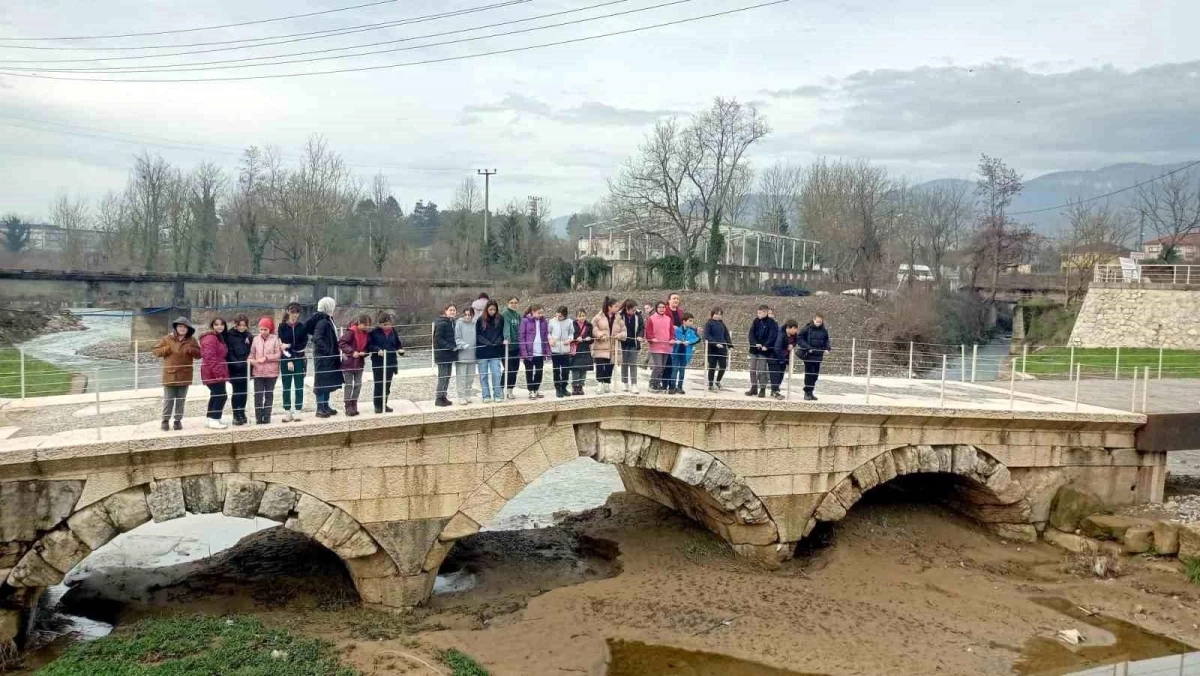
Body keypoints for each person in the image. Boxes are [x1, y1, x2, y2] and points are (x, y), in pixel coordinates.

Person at [153, 317, 200, 431]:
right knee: (168, 399)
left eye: (184, 327)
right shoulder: (166, 339)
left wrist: (192, 350)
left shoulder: (192, 340)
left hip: (185, 374)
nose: (182, 329)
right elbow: (155, 351)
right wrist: (167, 349)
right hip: (170, 375)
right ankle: (165, 420)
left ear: (188, 329)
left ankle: (177, 421)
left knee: (181, 399)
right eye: (180, 326)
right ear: (176, 327)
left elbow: (199, 355)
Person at [307, 296, 343, 418]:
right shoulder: (322, 321)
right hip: (323, 358)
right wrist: (327, 350)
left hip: (327, 357)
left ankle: (325, 405)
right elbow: (316, 338)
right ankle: (320, 407)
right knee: (321, 382)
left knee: (327, 381)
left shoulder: (327, 319)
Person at [366, 312, 404, 414]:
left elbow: (398, 343)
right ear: (380, 324)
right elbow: (369, 345)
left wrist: (400, 349)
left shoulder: (393, 331)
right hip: (378, 362)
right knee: (379, 384)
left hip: (390, 361)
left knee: (387, 385)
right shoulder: (374, 332)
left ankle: (384, 404)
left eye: (389, 324)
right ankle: (377, 406)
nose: (388, 327)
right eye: (385, 325)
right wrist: (377, 349)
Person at [278, 302, 309, 422]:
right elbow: (282, 345)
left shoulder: (302, 327)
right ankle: (287, 411)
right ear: (288, 312)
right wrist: (289, 359)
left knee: (299, 386)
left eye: (296, 312)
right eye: (292, 312)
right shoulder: (282, 326)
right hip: (285, 359)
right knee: (286, 386)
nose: (294, 315)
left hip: (299, 359)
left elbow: (302, 344)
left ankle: (298, 411)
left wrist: (290, 345)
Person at [199, 317, 230, 430]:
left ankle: (211, 418)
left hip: (215, 370)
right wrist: (218, 373)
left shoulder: (217, 337)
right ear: (212, 326)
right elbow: (209, 357)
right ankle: (214, 419)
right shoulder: (210, 338)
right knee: (221, 396)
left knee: (215, 395)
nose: (219, 326)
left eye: (222, 324)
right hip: (212, 372)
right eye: (216, 324)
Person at [250, 316, 283, 423]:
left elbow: (278, 354)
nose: (263, 331)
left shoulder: (275, 339)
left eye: (265, 329)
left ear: (270, 329)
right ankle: (258, 417)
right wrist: (251, 360)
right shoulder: (255, 339)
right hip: (258, 372)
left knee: (269, 394)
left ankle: (267, 416)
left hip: (271, 373)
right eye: (261, 329)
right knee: (258, 395)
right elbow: (252, 354)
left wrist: (267, 358)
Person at [591, 297, 625, 395]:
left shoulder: (618, 318)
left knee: (610, 365)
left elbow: (624, 330)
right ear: (609, 307)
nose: (617, 308)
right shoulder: (599, 316)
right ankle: (600, 383)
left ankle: (607, 383)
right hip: (601, 345)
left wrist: (620, 335)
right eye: (615, 306)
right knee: (600, 365)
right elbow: (593, 327)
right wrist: (600, 334)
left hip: (613, 346)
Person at [339, 314, 371, 417]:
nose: (367, 327)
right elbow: (341, 343)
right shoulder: (351, 332)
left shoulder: (367, 334)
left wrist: (364, 353)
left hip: (359, 364)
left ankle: (354, 403)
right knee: (349, 385)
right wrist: (352, 352)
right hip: (349, 363)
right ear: (360, 324)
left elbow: (367, 348)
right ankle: (348, 406)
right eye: (365, 325)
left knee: (358, 385)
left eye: (368, 325)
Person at [224, 314, 253, 425]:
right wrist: (238, 364)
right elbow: (229, 352)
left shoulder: (249, 335)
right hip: (235, 368)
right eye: (239, 325)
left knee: (245, 392)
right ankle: (236, 415)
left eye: (244, 325)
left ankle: (242, 412)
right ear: (235, 325)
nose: (242, 327)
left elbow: (252, 350)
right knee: (237, 392)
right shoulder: (230, 336)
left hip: (246, 368)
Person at [746, 305, 779, 398]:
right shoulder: (756, 321)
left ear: (765, 312)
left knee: (762, 371)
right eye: (758, 313)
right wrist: (754, 343)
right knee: (752, 370)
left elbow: (772, 336)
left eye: (760, 313)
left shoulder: (771, 322)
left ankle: (762, 389)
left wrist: (766, 345)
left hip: (764, 351)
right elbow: (751, 333)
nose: (758, 314)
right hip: (754, 349)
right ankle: (754, 387)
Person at [797, 313, 832, 401]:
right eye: (817, 321)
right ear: (813, 319)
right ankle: (807, 392)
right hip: (809, 355)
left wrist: (827, 348)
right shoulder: (807, 328)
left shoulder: (824, 330)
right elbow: (800, 338)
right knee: (809, 374)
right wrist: (807, 347)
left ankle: (811, 392)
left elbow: (826, 340)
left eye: (820, 322)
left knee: (815, 376)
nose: (818, 323)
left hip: (818, 356)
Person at [476, 300, 505, 403]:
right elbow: (478, 335)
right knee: (483, 375)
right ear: (486, 309)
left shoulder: (500, 319)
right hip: (483, 351)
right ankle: (486, 395)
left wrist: (498, 341)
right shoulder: (480, 320)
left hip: (495, 351)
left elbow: (502, 333)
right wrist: (487, 342)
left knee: (496, 374)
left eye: (494, 309)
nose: (492, 311)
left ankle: (497, 394)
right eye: (490, 309)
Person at [518, 305, 549, 399]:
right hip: (529, 352)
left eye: (542, 313)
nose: (540, 315)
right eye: (539, 313)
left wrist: (547, 351)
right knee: (529, 372)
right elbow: (521, 336)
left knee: (539, 372)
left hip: (540, 352)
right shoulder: (525, 321)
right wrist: (524, 352)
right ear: (533, 312)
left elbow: (546, 335)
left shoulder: (544, 322)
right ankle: (531, 390)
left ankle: (536, 389)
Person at [645, 301, 674, 392]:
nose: (662, 309)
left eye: (663, 307)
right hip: (656, 346)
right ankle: (652, 384)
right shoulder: (651, 318)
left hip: (666, 346)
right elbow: (648, 332)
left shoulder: (668, 319)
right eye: (660, 307)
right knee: (658, 366)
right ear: (656, 308)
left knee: (663, 367)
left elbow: (671, 331)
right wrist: (651, 338)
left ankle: (657, 384)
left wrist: (672, 339)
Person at [548, 306, 575, 398]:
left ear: (565, 315)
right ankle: (557, 388)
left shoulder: (570, 322)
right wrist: (550, 340)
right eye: (557, 315)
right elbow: (548, 333)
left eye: (561, 316)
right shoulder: (552, 321)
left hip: (565, 349)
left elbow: (572, 333)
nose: (558, 317)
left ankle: (564, 387)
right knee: (556, 370)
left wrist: (570, 340)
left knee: (565, 371)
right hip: (555, 349)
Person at [769, 319, 801, 400]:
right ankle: (775, 391)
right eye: (794, 328)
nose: (796, 330)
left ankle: (775, 391)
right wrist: (782, 359)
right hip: (775, 358)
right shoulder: (781, 334)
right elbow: (777, 348)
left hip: (784, 359)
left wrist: (792, 345)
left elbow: (795, 342)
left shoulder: (794, 335)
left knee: (780, 375)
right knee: (775, 375)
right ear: (789, 328)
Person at [433, 304, 457, 407]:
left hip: (449, 354)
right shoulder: (442, 323)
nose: (452, 312)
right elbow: (438, 339)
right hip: (442, 354)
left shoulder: (452, 322)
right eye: (450, 310)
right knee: (443, 376)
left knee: (447, 376)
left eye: (454, 310)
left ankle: (443, 396)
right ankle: (439, 398)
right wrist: (450, 346)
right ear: (445, 311)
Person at [670, 313, 701, 395]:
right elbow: (672, 337)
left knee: (682, 370)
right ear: (684, 321)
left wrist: (689, 342)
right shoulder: (677, 330)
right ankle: (672, 387)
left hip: (685, 353)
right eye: (690, 321)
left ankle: (680, 386)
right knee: (674, 370)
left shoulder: (691, 331)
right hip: (676, 353)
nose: (691, 323)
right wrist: (676, 341)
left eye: (692, 321)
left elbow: (697, 339)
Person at [659, 292, 685, 387]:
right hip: (667, 339)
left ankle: (672, 384)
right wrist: (671, 327)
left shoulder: (681, 312)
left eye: (677, 298)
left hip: (678, 339)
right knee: (667, 362)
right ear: (669, 300)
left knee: (675, 363)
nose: (676, 300)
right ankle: (664, 383)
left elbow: (683, 325)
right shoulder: (664, 310)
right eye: (674, 298)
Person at [703, 308, 731, 392]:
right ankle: (710, 384)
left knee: (723, 366)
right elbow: (707, 336)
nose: (718, 316)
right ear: (712, 314)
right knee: (712, 367)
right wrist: (715, 343)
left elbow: (726, 335)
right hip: (712, 348)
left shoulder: (722, 324)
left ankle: (718, 381)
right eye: (716, 314)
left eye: (720, 314)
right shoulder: (709, 323)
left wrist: (729, 345)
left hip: (722, 348)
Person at [619, 299, 644, 394]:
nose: (634, 312)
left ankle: (634, 384)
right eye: (632, 310)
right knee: (624, 363)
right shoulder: (620, 315)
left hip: (634, 343)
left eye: (635, 310)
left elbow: (642, 327)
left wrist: (640, 336)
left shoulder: (638, 315)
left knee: (633, 363)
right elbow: (617, 327)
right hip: (623, 343)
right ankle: (624, 382)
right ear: (627, 309)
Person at [455, 306, 478, 405]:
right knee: (461, 377)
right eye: (466, 315)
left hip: (472, 355)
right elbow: (457, 338)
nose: (468, 317)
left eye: (470, 315)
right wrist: (464, 345)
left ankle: (468, 394)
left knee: (470, 377)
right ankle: (461, 396)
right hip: (462, 354)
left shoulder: (475, 324)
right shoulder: (459, 324)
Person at [501, 296, 523, 400]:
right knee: (508, 369)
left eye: (515, 302)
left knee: (515, 369)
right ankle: (501, 389)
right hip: (507, 347)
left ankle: (510, 389)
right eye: (511, 302)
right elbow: (506, 326)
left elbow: (520, 329)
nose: (514, 304)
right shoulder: (505, 313)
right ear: (507, 303)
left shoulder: (518, 315)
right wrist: (506, 338)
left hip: (516, 346)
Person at [570, 308, 594, 396]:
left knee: (584, 369)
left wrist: (589, 338)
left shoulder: (589, 325)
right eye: (580, 316)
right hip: (576, 349)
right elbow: (570, 335)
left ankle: (581, 386)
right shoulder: (572, 325)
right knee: (575, 368)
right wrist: (576, 338)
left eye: (583, 316)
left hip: (585, 349)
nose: (582, 318)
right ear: (576, 317)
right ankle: (575, 386)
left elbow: (592, 339)